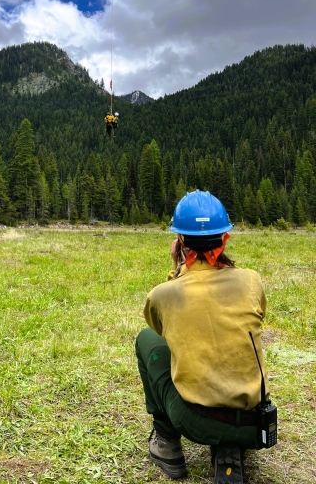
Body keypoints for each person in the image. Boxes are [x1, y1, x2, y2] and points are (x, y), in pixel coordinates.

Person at [135, 190, 269, 484]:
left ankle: (167, 444)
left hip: (197, 423)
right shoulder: (251, 281)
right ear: (224, 238)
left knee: (146, 341)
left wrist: (177, 270)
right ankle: (228, 448)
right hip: (255, 422)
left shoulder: (163, 295)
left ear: (180, 241)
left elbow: (164, 333)